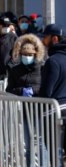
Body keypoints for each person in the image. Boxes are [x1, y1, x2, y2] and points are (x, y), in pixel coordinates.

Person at [6, 34, 48, 167]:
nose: (27, 56)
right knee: (28, 144)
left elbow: (46, 86)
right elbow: (9, 89)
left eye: (30, 54)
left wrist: (33, 91)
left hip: (40, 110)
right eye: (24, 54)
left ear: (35, 54)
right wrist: (21, 91)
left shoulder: (43, 68)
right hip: (24, 111)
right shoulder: (15, 70)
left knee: (41, 143)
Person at [39, 24, 66, 166]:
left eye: (45, 38)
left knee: (56, 155)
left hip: (55, 112)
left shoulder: (53, 61)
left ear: (55, 39)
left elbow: (46, 92)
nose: (43, 41)